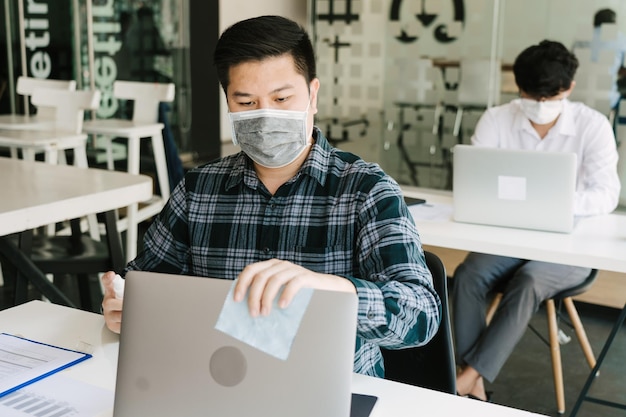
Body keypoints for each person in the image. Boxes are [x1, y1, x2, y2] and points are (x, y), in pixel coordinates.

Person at [101, 15, 441, 378]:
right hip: (214, 381)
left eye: (281, 98)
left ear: (312, 95)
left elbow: (420, 316)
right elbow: (145, 282)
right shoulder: (198, 191)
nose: (266, 117)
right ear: (228, 102)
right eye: (246, 103)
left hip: (330, 388)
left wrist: (331, 291)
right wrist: (124, 303)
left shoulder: (366, 191)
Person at [452, 40, 620, 401]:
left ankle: (466, 379)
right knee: (467, 275)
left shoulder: (593, 126)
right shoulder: (497, 119)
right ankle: (471, 379)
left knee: (528, 281)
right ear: (518, 88)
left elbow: (607, 194)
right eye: (533, 96)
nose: (541, 106)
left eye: (551, 96)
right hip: (508, 241)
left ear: (569, 89)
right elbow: (475, 181)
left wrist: (556, 203)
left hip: (569, 247)